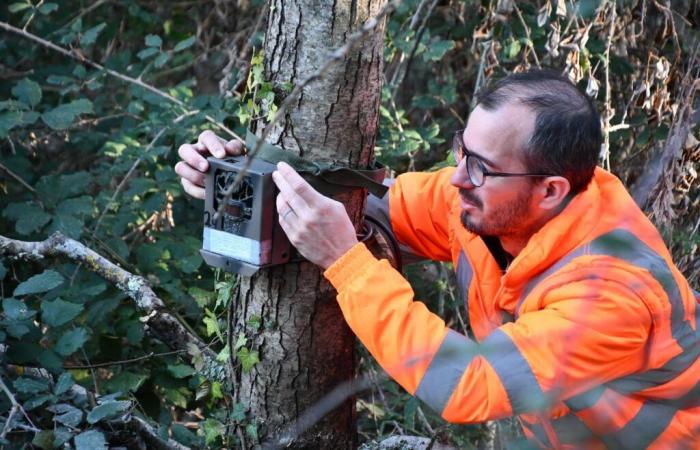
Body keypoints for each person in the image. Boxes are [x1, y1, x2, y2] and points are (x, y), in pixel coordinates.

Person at [176, 70, 699, 449]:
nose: (456, 178)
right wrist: (245, 182)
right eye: (461, 150)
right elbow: (371, 208)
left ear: (550, 190)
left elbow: (468, 385)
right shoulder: (485, 201)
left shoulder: (612, 293)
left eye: (481, 166)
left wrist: (346, 261)